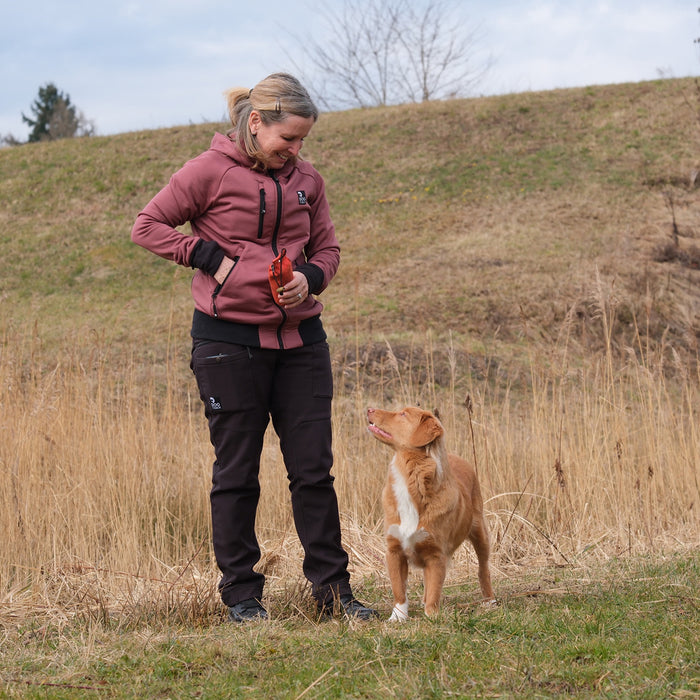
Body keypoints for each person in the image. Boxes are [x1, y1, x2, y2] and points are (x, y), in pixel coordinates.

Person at [131, 73, 378, 623]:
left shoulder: (308, 180)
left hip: (302, 345)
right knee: (237, 474)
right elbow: (147, 225)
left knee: (314, 471)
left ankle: (333, 594)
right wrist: (207, 256)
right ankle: (243, 598)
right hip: (227, 344)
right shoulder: (207, 171)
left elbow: (329, 248)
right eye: (287, 139)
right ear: (256, 122)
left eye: (303, 141)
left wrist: (311, 278)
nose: (296, 151)